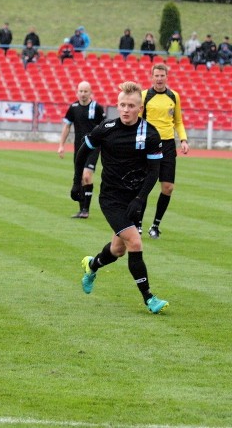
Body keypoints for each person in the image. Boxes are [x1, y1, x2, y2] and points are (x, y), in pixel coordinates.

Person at [72, 81, 168, 314]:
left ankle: (92, 265)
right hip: (111, 199)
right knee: (135, 242)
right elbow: (82, 152)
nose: (125, 109)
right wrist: (76, 182)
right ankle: (149, 298)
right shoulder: (106, 128)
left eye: (131, 105)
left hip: (135, 198)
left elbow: (154, 172)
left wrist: (140, 199)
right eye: (122, 105)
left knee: (118, 249)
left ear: (140, 108)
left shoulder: (151, 134)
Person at [138, 64, 189, 239]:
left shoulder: (174, 96)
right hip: (148, 144)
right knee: (144, 186)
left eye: (162, 75)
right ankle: (138, 224)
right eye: (156, 75)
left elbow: (179, 121)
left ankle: (155, 225)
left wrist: (183, 139)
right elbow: (138, 121)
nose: (159, 78)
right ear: (151, 77)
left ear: (167, 77)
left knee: (168, 188)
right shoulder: (144, 96)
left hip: (167, 145)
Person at [58, 81, 105, 219]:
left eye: (86, 91)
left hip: (93, 147)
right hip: (79, 148)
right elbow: (67, 127)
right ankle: (81, 209)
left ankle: (86, 210)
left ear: (90, 92)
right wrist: (61, 145)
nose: (83, 94)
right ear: (77, 92)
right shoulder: (73, 108)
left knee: (86, 175)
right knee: (79, 178)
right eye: (81, 91)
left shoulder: (97, 107)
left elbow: (103, 128)